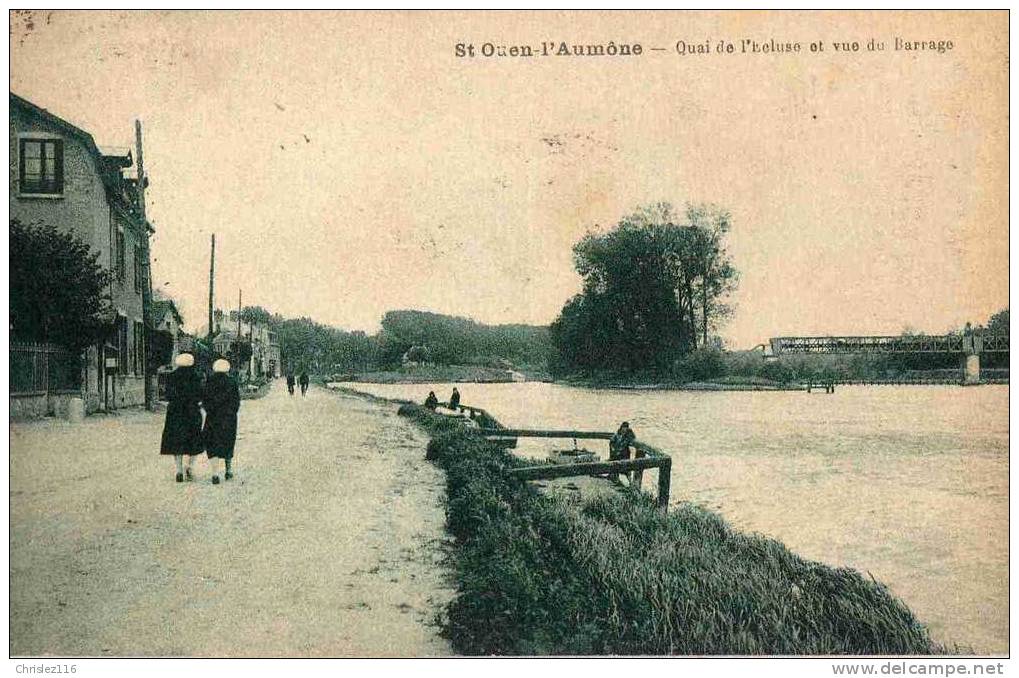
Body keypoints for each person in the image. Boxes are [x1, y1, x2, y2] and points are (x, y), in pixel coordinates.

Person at [160, 352, 204, 482]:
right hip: (192, 411)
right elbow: (200, 395)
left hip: (175, 412)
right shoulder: (196, 377)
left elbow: (167, 395)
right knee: (194, 440)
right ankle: (189, 467)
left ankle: (179, 470)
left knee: (176, 440)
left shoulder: (171, 377)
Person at [202, 358, 241, 485]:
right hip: (228, 418)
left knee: (212, 443)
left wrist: (210, 411)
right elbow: (236, 402)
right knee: (228, 442)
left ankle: (215, 473)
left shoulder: (209, 382)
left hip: (213, 417)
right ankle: (228, 470)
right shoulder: (232, 382)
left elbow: (205, 400)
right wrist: (231, 412)